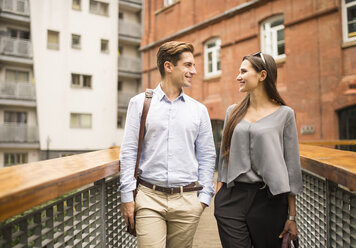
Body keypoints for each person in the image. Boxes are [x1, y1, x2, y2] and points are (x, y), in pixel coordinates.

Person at [119, 41, 216, 248]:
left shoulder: (199, 110)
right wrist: (127, 197)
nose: (194, 71)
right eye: (188, 65)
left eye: (194, 65)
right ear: (168, 66)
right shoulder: (139, 103)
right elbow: (128, 151)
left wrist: (204, 198)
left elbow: (207, 155)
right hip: (149, 199)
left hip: (188, 200)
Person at [214, 52, 303, 248]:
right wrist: (219, 198)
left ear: (262, 76)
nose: (238, 76)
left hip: (269, 201)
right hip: (232, 198)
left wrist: (291, 216)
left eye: (244, 71)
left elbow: (292, 166)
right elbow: (224, 158)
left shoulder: (285, 115)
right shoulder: (232, 112)